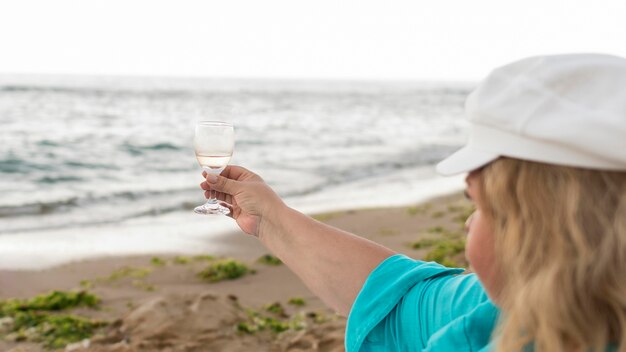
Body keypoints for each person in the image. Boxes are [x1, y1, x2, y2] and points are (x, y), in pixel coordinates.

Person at [200, 54, 626, 351]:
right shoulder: (504, 309)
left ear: (548, 233)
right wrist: (270, 218)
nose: (468, 225)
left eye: (477, 205)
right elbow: (394, 299)